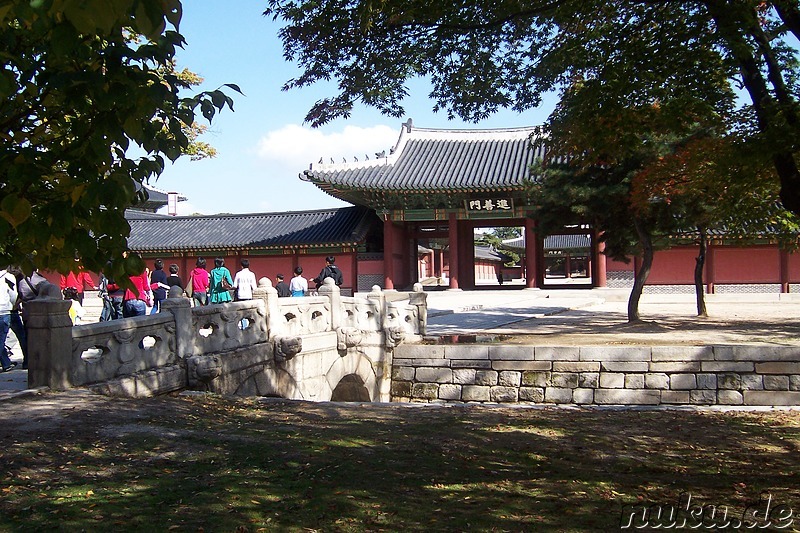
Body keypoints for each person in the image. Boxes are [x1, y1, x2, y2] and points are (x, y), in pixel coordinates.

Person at [13, 267, 46, 369]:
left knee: (28, 338)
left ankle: (27, 361)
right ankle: (39, 360)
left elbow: (19, 296)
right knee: (40, 339)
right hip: (41, 313)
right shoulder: (41, 281)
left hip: (27, 314)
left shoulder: (21, 282)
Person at [0, 267, 19, 372]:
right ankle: (6, 363)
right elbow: (13, 295)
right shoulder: (9, 277)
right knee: (1, 339)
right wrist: (11, 306)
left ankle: (6, 363)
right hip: (4, 310)